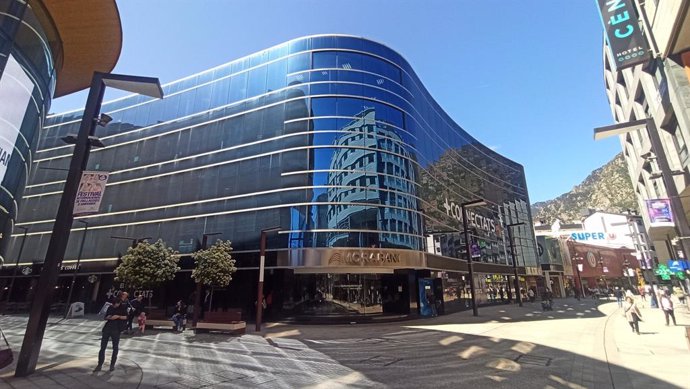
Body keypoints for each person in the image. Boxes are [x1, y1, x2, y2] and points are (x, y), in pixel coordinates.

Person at [94, 298, 128, 372]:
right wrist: (110, 317)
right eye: (113, 304)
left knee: (115, 347)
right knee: (103, 347)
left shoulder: (123, 308)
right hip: (107, 328)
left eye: (115, 304)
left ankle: (112, 364)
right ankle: (99, 364)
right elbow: (106, 317)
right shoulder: (110, 307)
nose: (114, 305)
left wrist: (118, 316)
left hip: (116, 329)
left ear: (119, 303)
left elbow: (126, 317)